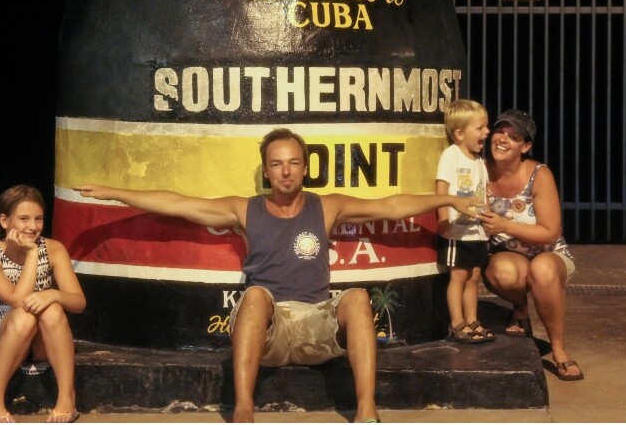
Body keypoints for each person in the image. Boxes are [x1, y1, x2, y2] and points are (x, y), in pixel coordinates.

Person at [74, 127, 479, 423]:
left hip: (318, 322)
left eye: (293, 163)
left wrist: (449, 198)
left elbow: (392, 205)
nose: (285, 172)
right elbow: (178, 203)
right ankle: (244, 410)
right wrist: (115, 191)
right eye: (276, 164)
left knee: (356, 295)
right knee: (253, 296)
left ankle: (367, 411)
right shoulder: (244, 209)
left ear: (304, 168)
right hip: (271, 327)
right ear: (266, 172)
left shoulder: (327, 206)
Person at [477, 110, 584, 381]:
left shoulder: (539, 174)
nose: (503, 140)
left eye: (513, 137)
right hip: (508, 256)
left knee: (543, 270)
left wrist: (504, 225)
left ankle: (559, 349)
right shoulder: (478, 169)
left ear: (525, 147)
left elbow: (550, 232)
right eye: (500, 132)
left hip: (549, 253)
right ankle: (520, 309)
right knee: (501, 271)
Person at [0, 185, 87, 423]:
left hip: (42, 336)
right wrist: (32, 255)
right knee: (24, 315)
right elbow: (17, 300)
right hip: (5, 331)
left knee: (53, 308)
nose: (33, 226)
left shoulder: (55, 249)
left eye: (39, 219)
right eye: (24, 219)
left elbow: (78, 302)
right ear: (5, 221)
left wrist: (53, 295)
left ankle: (67, 398)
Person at [434, 99, 495, 344]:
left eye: (486, 127)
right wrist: (442, 220)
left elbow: (484, 192)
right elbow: (441, 189)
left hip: (476, 232)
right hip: (457, 233)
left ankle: (472, 319)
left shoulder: (480, 162)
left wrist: (488, 220)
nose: (486, 132)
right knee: (458, 277)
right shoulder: (451, 156)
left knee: (473, 277)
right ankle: (457, 322)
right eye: (480, 128)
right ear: (459, 133)